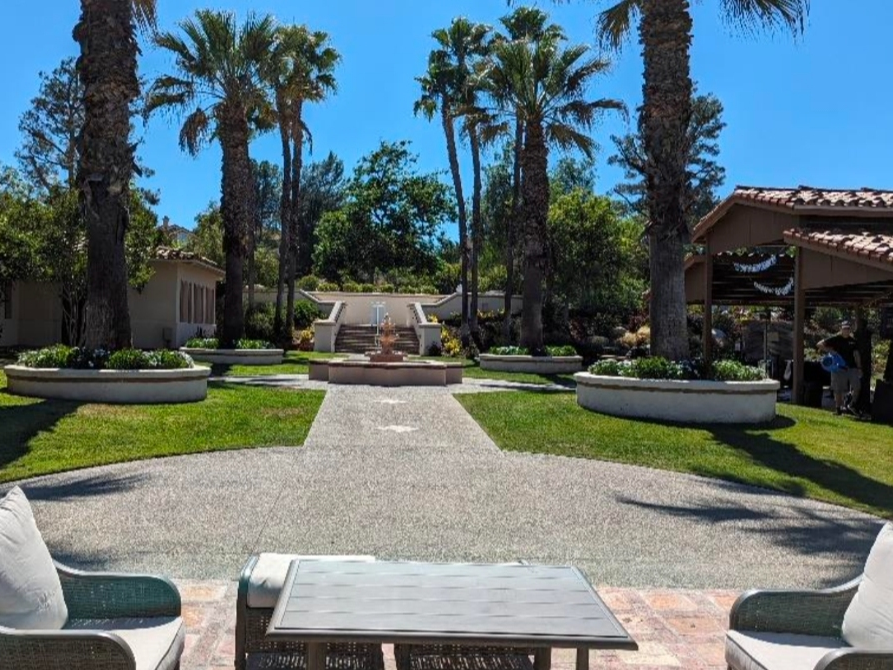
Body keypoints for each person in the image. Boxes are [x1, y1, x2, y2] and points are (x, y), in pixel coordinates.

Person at [818, 321, 863, 416]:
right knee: (838, 390)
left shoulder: (853, 341)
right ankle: (838, 409)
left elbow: (856, 354)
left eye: (848, 328)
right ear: (841, 329)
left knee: (857, 387)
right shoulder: (835, 338)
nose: (846, 330)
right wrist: (831, 351)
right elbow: (819, 344)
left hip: (852, 367)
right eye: (844, 328)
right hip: (838, 368)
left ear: (850, 330)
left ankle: (851, 404)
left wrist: (859, 367)